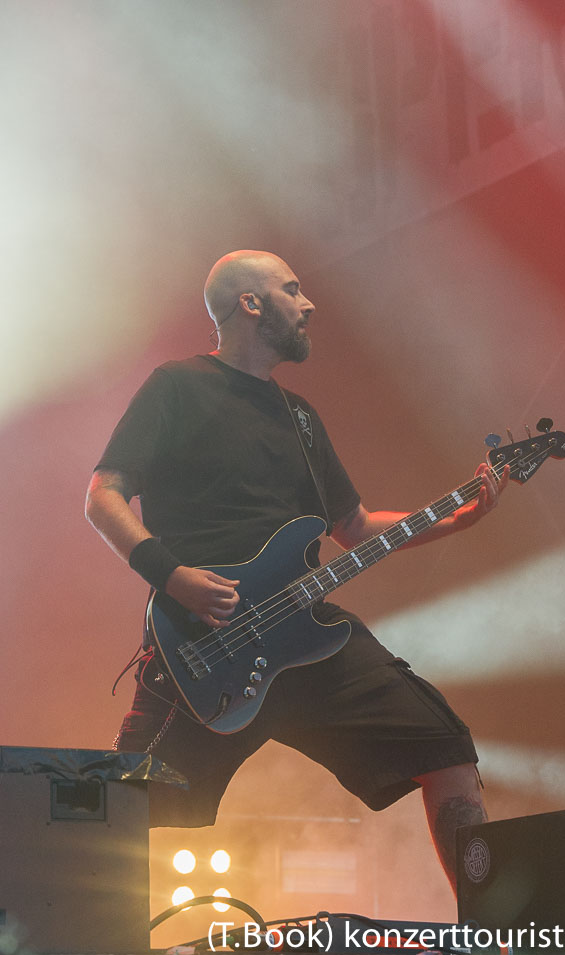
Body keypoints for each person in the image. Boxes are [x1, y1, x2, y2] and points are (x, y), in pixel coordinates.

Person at [85, 250, 508, 895]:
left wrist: (460, 518)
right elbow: (103, 495)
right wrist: (173, 577)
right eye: (292, 290)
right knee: (116, 805)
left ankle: (488, 936)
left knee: (447, 749)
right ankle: (59, 945)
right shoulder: (176, 385)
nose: (308, 304)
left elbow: (354, 527)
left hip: (305, 636)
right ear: (250, 304)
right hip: (207, 641)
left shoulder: (301, 418)